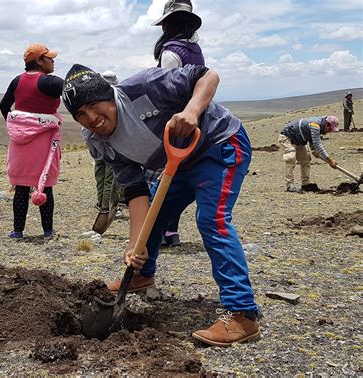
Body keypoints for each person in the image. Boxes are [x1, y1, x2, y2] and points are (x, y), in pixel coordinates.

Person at [62, 63, 260, 346]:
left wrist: (192, 111)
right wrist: (135, 247)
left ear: (109, 95)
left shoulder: (145, 86)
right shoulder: (98, 139)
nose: (91, 117)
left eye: (94, 105)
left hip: (220, 145)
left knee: (211, 220)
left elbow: (207, 75)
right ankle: (141, 274)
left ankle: (243, 314)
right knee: (154, 215)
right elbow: (135, 190)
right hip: (177, 164)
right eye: (81, 113)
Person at [144, 0, 205, 247]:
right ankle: (171, 231)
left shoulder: (170, 52)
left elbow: (168, 90)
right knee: (177, 178)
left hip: (174, 120)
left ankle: (156, 231)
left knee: (160, 177)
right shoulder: (195, 50)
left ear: (167, 25)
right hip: (196, 118)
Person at [0, 43, 63, 239]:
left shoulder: (17, 81)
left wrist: (18, 124)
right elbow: (71, 88)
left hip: (19, 144)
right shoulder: (48, 82)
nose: (53, 61)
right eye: (49, 58)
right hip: (44, 142)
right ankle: (48, 231)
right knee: (45, 185)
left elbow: (4, 106)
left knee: (21, 186)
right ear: (39, 61)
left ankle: (18, 231)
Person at [91, 70, 126, 233]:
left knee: (101, 175)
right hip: (111, 144)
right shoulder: (115, 98)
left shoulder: (92, 97)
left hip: (96, 143)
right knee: (109, 179)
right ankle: (107, 208)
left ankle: (103, 205)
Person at [278, 116, 339, 193]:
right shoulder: (315, 125)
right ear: (327, 124)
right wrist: (330, 161)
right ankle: (290, 185)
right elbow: (318, 144)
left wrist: (314, 151)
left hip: (299, 141)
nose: (329, 132)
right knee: (290, 158)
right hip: (287, 137)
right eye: (330, 129)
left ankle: (305, 184)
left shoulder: (319, 126)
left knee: (306, 160)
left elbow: (313, 141)